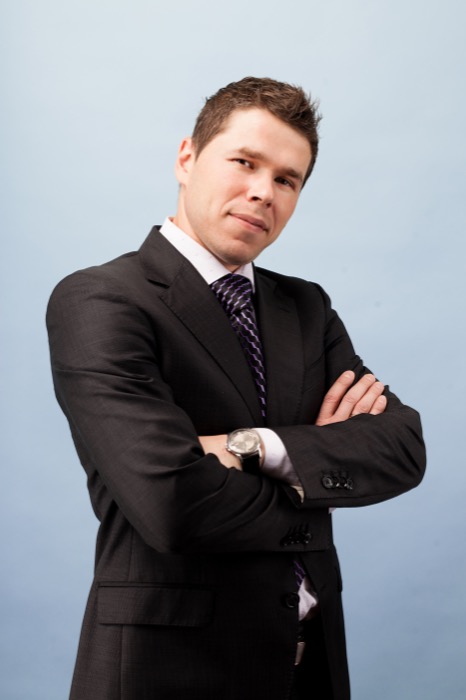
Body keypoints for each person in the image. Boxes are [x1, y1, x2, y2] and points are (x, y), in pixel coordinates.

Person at [46, 77, 426, 700]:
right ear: (187, 158)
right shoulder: (102, 300)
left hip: (310, 669)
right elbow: (171, 504)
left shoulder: (306, 308)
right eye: (245, 162)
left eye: (287, 179)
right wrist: (315, 473)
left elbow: (403, 448)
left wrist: (252, 447)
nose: (262, 192)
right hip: (168, 672)